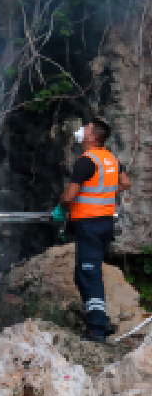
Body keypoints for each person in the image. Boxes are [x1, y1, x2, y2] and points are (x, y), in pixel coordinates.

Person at [58, 118, 131, 344]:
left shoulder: (86, 161)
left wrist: (60, 207)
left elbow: (69, 197)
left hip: (89, 225)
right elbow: (125, 183)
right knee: (83, 274)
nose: (81, 130)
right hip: (105, 224)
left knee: (89, 274)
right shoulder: (111, 158)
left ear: (93, 137)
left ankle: (96, 329)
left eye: (86, 128)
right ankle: (101, 321)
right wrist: (102, 196)